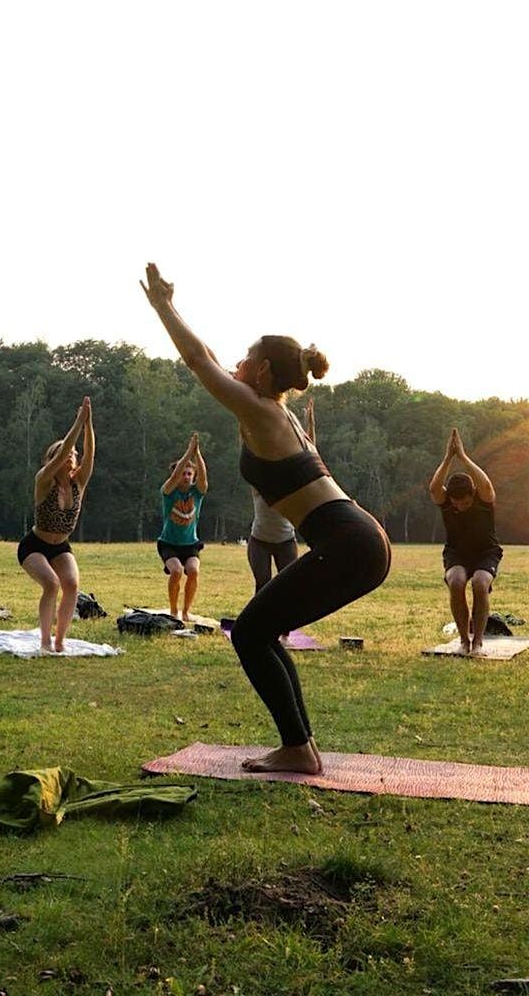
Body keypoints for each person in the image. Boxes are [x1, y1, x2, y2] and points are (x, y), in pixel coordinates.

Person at [142, 264, 391, 774]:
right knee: (262, 629)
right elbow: (209, 358)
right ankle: (301, 747)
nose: (234, 361)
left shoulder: (263, 411)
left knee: (252, 631)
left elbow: (197, 359)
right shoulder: (278, 413)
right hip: (357, 539)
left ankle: (298, 749)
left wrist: (164, 306)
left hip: (349, 542)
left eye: (246, 356)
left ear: (261, 373)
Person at [17, 397, 95, 653]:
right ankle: (44, 640)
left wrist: (88, 424)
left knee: (71, 584)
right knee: (51, 584)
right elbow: (63, 451)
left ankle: (60, 640)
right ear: (52, 460)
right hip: (34, 545)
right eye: (65, 454)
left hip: (61, 545)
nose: (71, 456)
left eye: (74, 454)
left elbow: (90, 453)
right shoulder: (44, 480)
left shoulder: (78, 483)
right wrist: (77, 422)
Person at [429, 428, 502, 657]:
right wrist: (448, 458)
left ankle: (478, 643)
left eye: (465, 502)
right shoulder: (447, 503)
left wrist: (462, 456)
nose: (460, 506)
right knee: (456, 581)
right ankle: (463, 641)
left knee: (480, 583)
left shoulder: (483, 500)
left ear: (473, 495)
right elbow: (434, 487)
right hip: (457, 554)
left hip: (486, 552)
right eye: (456, 502)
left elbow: (486, 483)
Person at [247, 399, 314, 593]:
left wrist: (310, 423)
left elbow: (310, 456)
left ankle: (286, 623)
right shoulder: (260, 485)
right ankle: (262, 623)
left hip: (286, 542)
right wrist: (245, 419)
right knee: (263, 585)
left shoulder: (293, 486)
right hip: (259, 542)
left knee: (288, 588)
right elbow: (247, 449)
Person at [157, 433, 208, 619]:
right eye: (183, 474)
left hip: (190, 544)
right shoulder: (169, 492)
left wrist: (198, 453)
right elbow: (175, 475)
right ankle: (173, 610)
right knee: (177, 571)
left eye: (189, 474)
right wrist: (188, 452)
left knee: (193, 571)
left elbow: (203, 477)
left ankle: (186, 611)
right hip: (168, 543)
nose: (186, 476)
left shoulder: (197, 493)